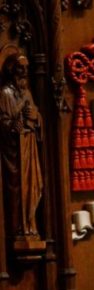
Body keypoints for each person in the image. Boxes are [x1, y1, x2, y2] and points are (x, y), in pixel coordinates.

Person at [0, 52, 43, 238]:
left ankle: (31, 225)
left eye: (26, 68)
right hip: (14, 151)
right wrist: (11, 126)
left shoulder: (27, 93)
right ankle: (19, 228)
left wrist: (36, 117)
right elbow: (3, 121)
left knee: (33, 186)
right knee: (18, 189)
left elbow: (37, 117)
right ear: (12, 70)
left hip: (29, 146)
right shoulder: (5, 94)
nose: (24, 72)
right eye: (20, 68)